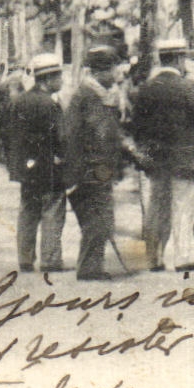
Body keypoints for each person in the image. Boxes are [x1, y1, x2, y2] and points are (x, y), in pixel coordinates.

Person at [129, 38, 194, 272]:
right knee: (184, 206)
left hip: (155, 160)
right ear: (180, 59)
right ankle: (182, 257)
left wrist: (145, 152)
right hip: (185, 157)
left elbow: (136, 125)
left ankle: (154, 258)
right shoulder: (187, 87)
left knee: (156, 206)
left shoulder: (146, 89)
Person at [63, 46, 130, 281]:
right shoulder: (89, 97)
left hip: (97, 166)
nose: (118, 75)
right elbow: (93, 135)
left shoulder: (97, 95)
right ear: (101, 71)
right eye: (114, 69)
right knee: (98, 216)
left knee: (99, 215)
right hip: (93, 168)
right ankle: (90, 267)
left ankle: (92, 264)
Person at [6, 53, 67, 272]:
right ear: (48, 79)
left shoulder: (20, 101)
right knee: (52, 211)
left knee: (28, 211)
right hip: (49, 167)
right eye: (58, 76)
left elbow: (11, 136)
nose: (61, 80)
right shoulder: (49, 104)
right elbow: (61, 138)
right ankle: (50, 259)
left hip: (27, 169)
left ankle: (25, 257)